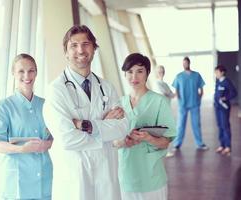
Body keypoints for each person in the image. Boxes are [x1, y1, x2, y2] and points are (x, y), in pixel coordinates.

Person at [43, 25, 128, 200]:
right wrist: (104, 129)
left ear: (94, 49)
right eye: (74, 45)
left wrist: (84, 125)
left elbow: (123, 127)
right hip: (75, 179)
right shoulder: (55, 90)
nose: (80, 50)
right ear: (66, 52)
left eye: (86, 44)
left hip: (106, 177)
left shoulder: (106, 87)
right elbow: (67, 139)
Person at [0, 54, 53, 200]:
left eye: (31, 71)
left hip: (44, 180)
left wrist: (47, 144)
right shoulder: (4, 106)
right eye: (21, 71)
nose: (27, 76)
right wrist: (22, 149)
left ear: (36, 73)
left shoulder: (46, 105)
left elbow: (55, 136)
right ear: (13, 73)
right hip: (17, 184)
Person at [116, 53, 176, 200]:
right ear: (124, 74)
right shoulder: (119, 104)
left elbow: (166, 142)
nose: (134, 77)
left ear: (147, 73)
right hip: (126, 177)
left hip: (152, 178)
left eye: (140, 71)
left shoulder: (159, 102)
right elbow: (111, 141)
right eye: (130, 72)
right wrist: (123, 142)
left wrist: (149, 138)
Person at [172, 56, 208, 150]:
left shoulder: (196, 75)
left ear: (189, 63)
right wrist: (180, 101)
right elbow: (176, 91)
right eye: (183, 63)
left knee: (196, 124)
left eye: (186, 63)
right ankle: (177, 144)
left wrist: (198, 99)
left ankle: (200, 144)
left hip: (194, 104)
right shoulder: (179, 76)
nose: (185, 65)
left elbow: (201, 90)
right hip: (183, 104)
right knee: (180, 125)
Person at [214, 65, 237, 156]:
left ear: (222, 72)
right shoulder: (218, 81)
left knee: (225, 126)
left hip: (224, 108)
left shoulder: (227, 82)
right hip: (217, 107)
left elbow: (234, 93)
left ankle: (228, 147)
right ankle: (222, 145)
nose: (216, 74)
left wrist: (226, 98)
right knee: (219, 125)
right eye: (215, 72)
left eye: (217, 72)